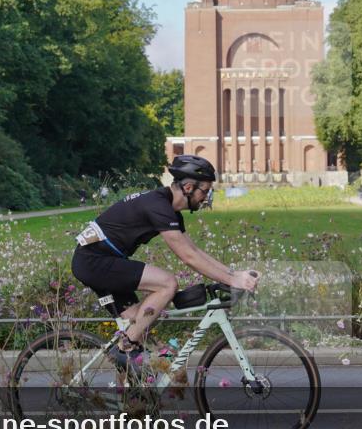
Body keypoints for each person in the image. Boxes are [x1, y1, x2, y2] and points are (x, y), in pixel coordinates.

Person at [71, 155, 259, 370]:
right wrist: (232, 280)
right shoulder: (158, 206)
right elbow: (188, 257)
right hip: (94, 261)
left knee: (138, 323)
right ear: (188, 187)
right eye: (205, 190)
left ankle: (134, 396)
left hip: (100, 261)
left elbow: (195, 250)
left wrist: (234, 274)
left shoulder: (168, 209)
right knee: (167, 283)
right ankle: (124, 347)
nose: (207, 197)